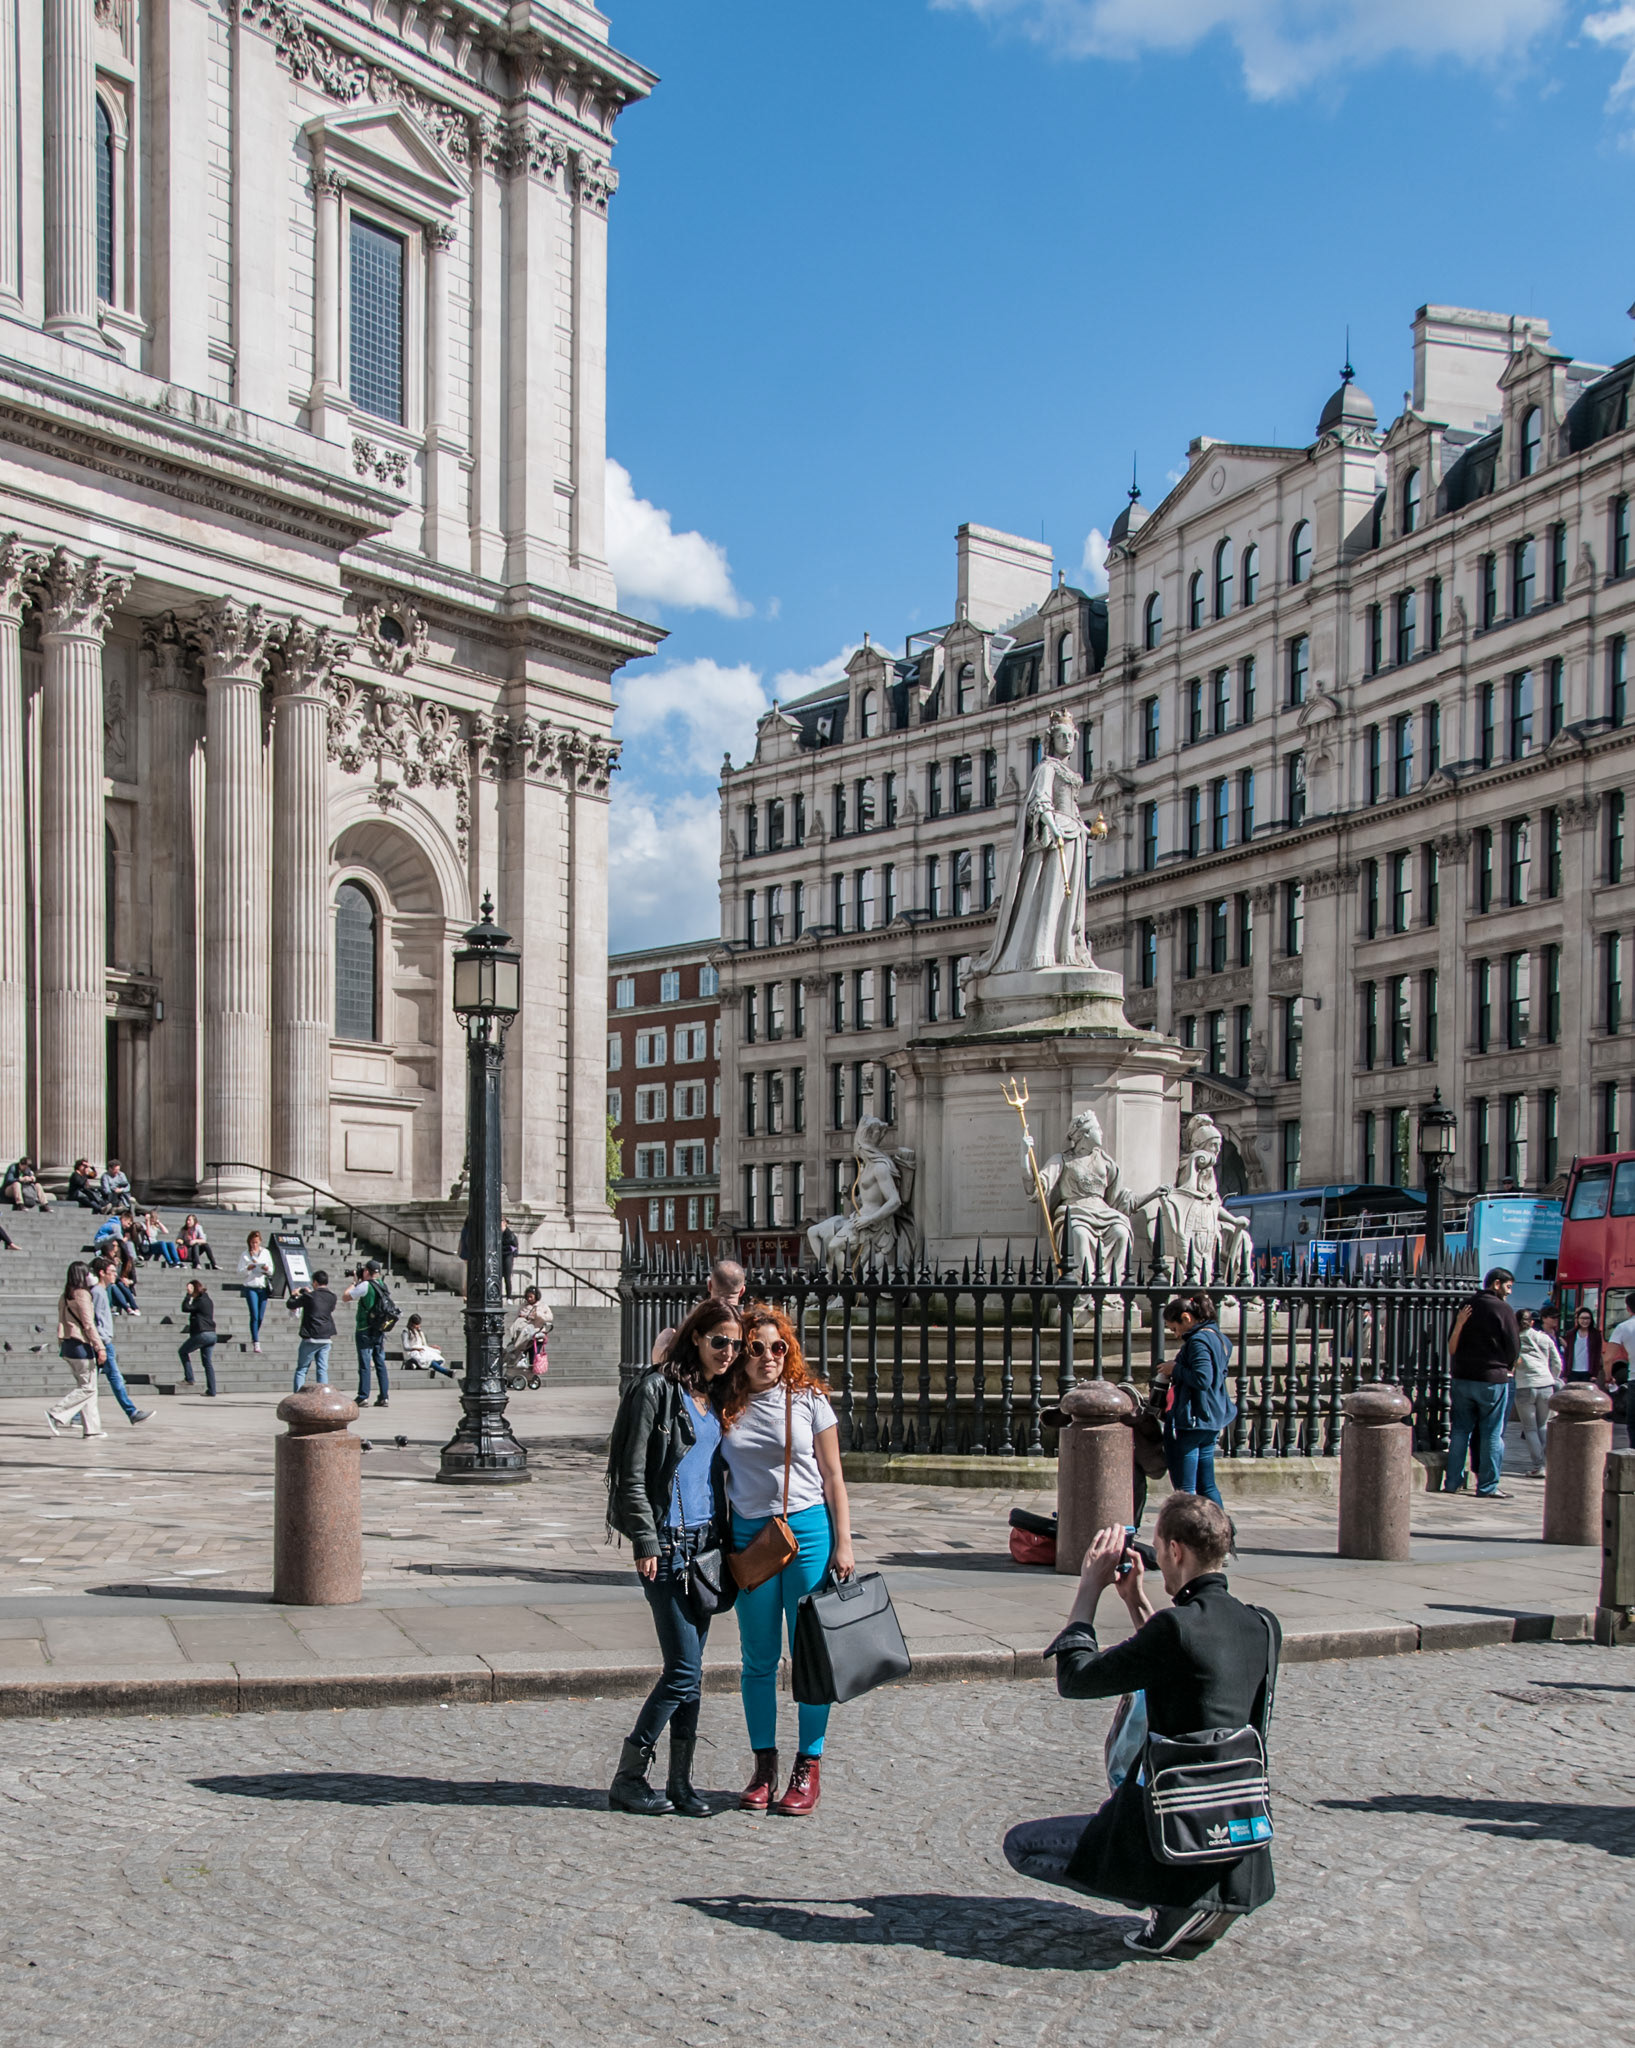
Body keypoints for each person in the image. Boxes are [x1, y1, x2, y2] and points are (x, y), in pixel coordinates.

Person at [1004, 1494, 1281, 1961]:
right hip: (1235, 1822)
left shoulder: (1175, 1629)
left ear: (1176, 1551)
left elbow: (1077, 1680)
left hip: (1170, 1823)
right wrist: (1137, 1601)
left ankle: (1170, 1899)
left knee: (1022, 1847)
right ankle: (1194, 1894)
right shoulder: (1261, 1625)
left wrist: (1088, 1590)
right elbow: (1189, 1669)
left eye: (1158, 1549)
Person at [605, 1298, 742, 1817]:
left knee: (692, 1671)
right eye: (719, 1342)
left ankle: (680, 1784)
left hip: (705, 1546)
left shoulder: (713, 1395)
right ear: (696, 1338)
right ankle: (628, 1777)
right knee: (682, 1671)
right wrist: (645, 1541)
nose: (728, 1352)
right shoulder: (656, 1389)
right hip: (666, 1546)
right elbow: (631, 1474)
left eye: (735, 1345)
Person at [718, 1302, 856, 1818]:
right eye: (756, 1349)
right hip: (751, 1538)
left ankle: (808, 1764)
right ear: (741, 1354)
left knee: (809, 1657)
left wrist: (845, 1542)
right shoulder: (726, 1402)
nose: (769, 1358)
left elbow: (834, 1475)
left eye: (779, 1347)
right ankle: (764, 1765)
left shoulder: (809, 1400)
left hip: (809, 1532)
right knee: (757, 1659)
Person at [1443, 1267, 1519, 1499]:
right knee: (1491, 1434)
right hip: (1491, 1379)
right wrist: (1506, 1366)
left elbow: (1451, 1344)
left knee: (1459, 1431)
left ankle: (1452, 1481)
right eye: (1508, 1286)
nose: (1509, 1292)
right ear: (1496, 1284)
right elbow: (1514, 1346)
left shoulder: (1467, 1305)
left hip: (1462, 1376)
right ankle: (1487, 1486)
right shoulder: (1502, 1308)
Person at [1161, 1293, 1234, 1510]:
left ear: (1186, 1318)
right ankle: (1222, 1533)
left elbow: (1203, 1378)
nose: (1175, 1334)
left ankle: (1191, 1535)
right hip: (1211, 1417)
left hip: (1195, 1419)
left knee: (1186, 1488)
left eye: (1174, 1328)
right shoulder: (1218, 1337)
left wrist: (1175, 1369)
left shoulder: (1198, 1341)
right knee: (1207, 1484)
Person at [89, 1254, 154, 1427]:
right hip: (102, 1343)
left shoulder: (104, 1291)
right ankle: (132, 1412)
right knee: (114, 1379)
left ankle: (73, 1415)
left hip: (104, 1341)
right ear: (102, 1273)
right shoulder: (97, 1292)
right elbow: (91, 1319)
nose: (114, 1274)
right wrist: (99, 1343)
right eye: (111, 1271)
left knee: (90, 1383)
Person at [49, 1260, 106, 1438]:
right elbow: (88, 1324)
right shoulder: (82, 1294)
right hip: (81, 1344)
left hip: (67, 1344)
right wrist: (100, 1347)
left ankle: (92, 1429)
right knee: (88, 1387)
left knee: (89, 1387)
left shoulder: (65, 1295)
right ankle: (56, 1413)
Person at [651, 1259, 746, 1365]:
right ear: (742, 1291)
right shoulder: (750, 1325)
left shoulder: (695, 1321)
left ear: (709, 1286)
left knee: (666, 1336)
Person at [1512, 1308, 1561, 1477]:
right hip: (1545, 1383)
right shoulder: (1544, 1338)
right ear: (1532, 1322)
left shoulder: (1514, 1339)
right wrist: (1552, 1377)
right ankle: (1551, 1463)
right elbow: (1557, 1361)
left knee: (1530, 1429)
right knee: (1543, 1425)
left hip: (1524, 1385)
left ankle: (1539, 1466)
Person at [346, 1261, 390, 1408]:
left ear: (366, 1271)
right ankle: (384, 1396)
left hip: (364, 1328)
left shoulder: (365, 1285)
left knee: (365, 1364)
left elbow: (346, 1297)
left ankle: (363, 1396)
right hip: (379, 1329)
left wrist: (354, 1283)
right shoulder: (383, 1285)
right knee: (380, 1363)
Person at [287, 1268, 337, 1391]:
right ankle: (324, 1396)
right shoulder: (332, 1297)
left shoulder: (309, 1296)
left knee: (302, 1369)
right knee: (322, 1369)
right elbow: (325, 1308)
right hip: (326, 1337)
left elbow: (291, 1304)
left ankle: (298, 1396)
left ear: (315, 1282)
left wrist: (294, 1295)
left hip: (311, 1337)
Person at [505, 1286, 554, 1384]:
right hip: (524, 1336)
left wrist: (538, 1315)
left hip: (537, 1335)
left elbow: (549, 1317)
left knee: (534, 1357)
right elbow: (519, 1317)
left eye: (531, 1297)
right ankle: (520, 1374)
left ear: (536, 1296)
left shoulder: (543, 1306)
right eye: (527, 1297)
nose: (529, 1299)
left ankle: (532, 1376)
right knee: (520, 1355)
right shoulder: (523, 1306)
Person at [178, 1278, 218, 1395]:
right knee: (207, 1363)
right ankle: (212, 1390)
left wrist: (188, 1295)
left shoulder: (200, 1301)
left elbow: (185, 1308)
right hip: (212, 1334)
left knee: (183, 1351)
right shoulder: (208, 1300)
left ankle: (189, 1378)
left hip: (202, 1334)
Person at [237, 1230, 275, 1353]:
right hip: (251, 1286)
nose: (254, 1245)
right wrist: (248, 1268)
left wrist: (266, 1268)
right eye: (252, 1242)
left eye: (256, 1242)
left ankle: (255, 1334)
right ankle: (256, 1341)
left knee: (260, 1316)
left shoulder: (265, 1253)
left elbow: (271, 1270)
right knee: (254, 1314)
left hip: (262, 1286)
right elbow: (240, 1271)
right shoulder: (245, 1254)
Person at [402, 1313, 453, 1380]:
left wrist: (431, 1347)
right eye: (416, 1324)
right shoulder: (406, 1331)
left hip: (422, 1350)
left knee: (437, 1359)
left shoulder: (419, 1331)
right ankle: (446, 1372)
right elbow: (406, 1347)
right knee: (430, 1361)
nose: (417, 1326)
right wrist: (416, 1349)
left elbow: (424, 1345)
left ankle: (418, 1365)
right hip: (414, 1352)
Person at [1563, 1304, 1603, 1386]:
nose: (1585, 1321)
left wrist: (1595, 1374)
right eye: (1582, 1318)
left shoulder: (1596, 1334)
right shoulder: (1571, 1334)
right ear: (1577, 1319)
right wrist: (1565, 1374)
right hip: (1572, 1372)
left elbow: (1597, 1355)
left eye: (1587, 1318)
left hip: (1588, 1372)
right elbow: (1566, 1355)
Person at [501, 1217, 519, 1298]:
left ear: (505, 1223)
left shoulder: (510, 1234)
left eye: (501, 1221)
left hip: (507, 1256)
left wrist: (503, 1248)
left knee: (507, 1277)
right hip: (499, 1256)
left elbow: (514, 1247)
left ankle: (509, 1297)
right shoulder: (496, 1233)